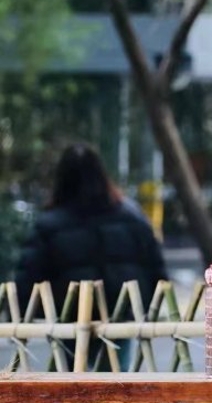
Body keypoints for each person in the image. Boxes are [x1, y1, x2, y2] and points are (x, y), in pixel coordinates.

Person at [14, 143, 168, 371]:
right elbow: (154, 263)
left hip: (69, 314)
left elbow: (29, 273)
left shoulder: (49, 224)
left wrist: (21, 314)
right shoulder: (131, 216)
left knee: (72, 379)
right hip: (119, 312)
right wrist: (152, 304)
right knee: (114, 379)